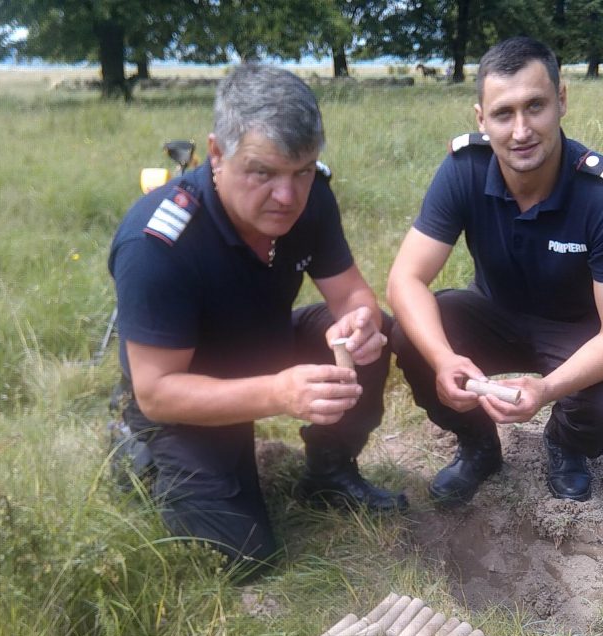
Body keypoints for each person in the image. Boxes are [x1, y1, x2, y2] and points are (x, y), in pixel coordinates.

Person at [108, 63, 407, 571]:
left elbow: (352, 294)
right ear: (217, 154)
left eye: (303, 171)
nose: (287, 197)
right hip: (184, 391)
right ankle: (139, 456)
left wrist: (358, 322)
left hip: (264, 346)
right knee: (244, 556)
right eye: (262, 172)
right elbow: (157, 391)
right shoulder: (157, 243)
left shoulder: (310, 200)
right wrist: (277, 395)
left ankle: (328, 473)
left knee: (377, 328)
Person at [387, 36, 603, 506]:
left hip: (577, 334)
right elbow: (405, 279)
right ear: (480, 119)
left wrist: (548, 389)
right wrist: (443, 358)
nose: (520, 131)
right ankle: (478, 445)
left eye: (535, 106)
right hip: (493, 313)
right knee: (412, 335)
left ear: (562, 101)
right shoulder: (463, 169)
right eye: (503, 113)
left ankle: (564, 441)